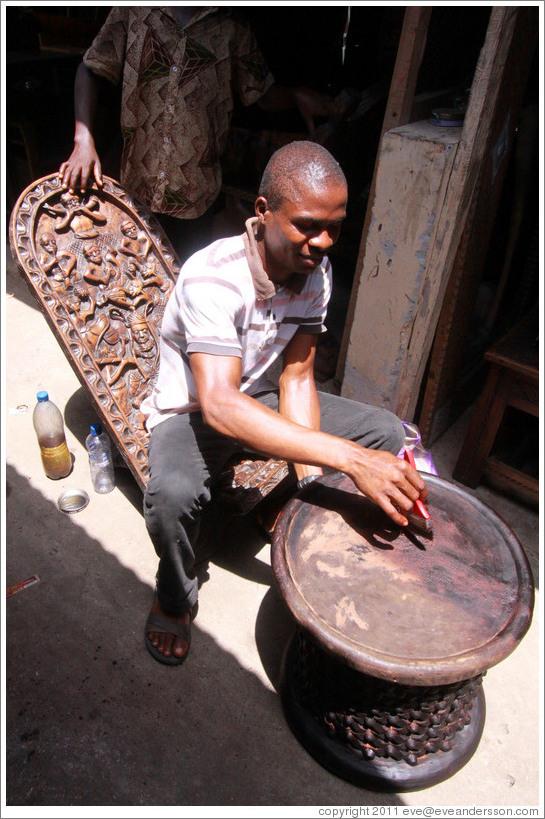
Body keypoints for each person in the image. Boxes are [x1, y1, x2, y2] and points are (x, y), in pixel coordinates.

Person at [139, 140, 428, 666]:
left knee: (382, 433)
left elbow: (296, 379)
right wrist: (348, 460)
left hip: (256, 393)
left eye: (335, 227)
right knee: (171, 499)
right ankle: (174, 594)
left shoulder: (315, 272)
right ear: (263, 212)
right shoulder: (212, 277)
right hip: (196, 411)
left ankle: (294, 519)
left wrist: (313, 480)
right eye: (307, 225)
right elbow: (220, 406)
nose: (322, 242)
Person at [57, 5, 337, 262]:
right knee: (126, 281)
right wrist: (84, 140)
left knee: (181, 288)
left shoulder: (232, 25)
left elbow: (261, 92)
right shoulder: (135, 10)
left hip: (195, 199)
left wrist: (298, 97)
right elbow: (91, 68)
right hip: (134, 188)